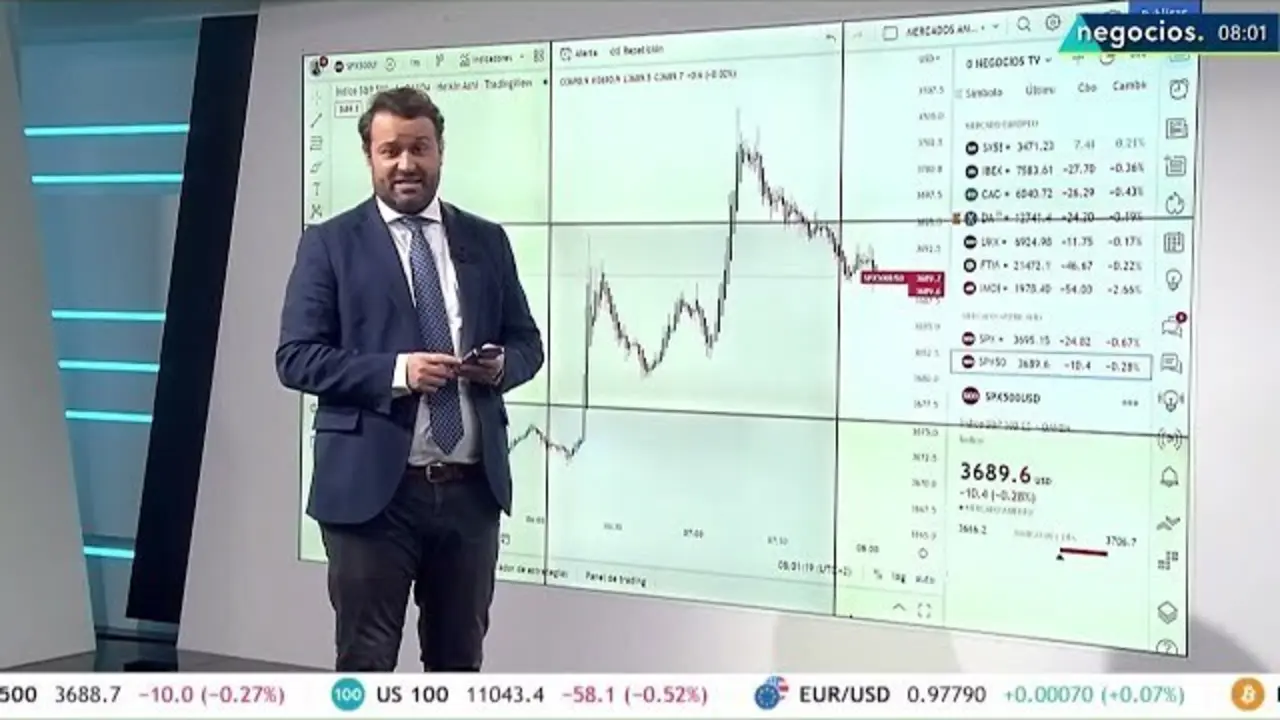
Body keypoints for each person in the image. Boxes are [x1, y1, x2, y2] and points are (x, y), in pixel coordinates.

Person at [276, 86, 544, 671]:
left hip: (470, 495)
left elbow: (529, 343)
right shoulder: (330, 244)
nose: (405, 164)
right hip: (373, 498)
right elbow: (295, 357)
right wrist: (398, 371)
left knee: (458, 663)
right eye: (390, 150)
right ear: (368, 157)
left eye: (419, 148)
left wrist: (501, 366)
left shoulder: (486, 240)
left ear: (440, 151)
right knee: (366, 663)